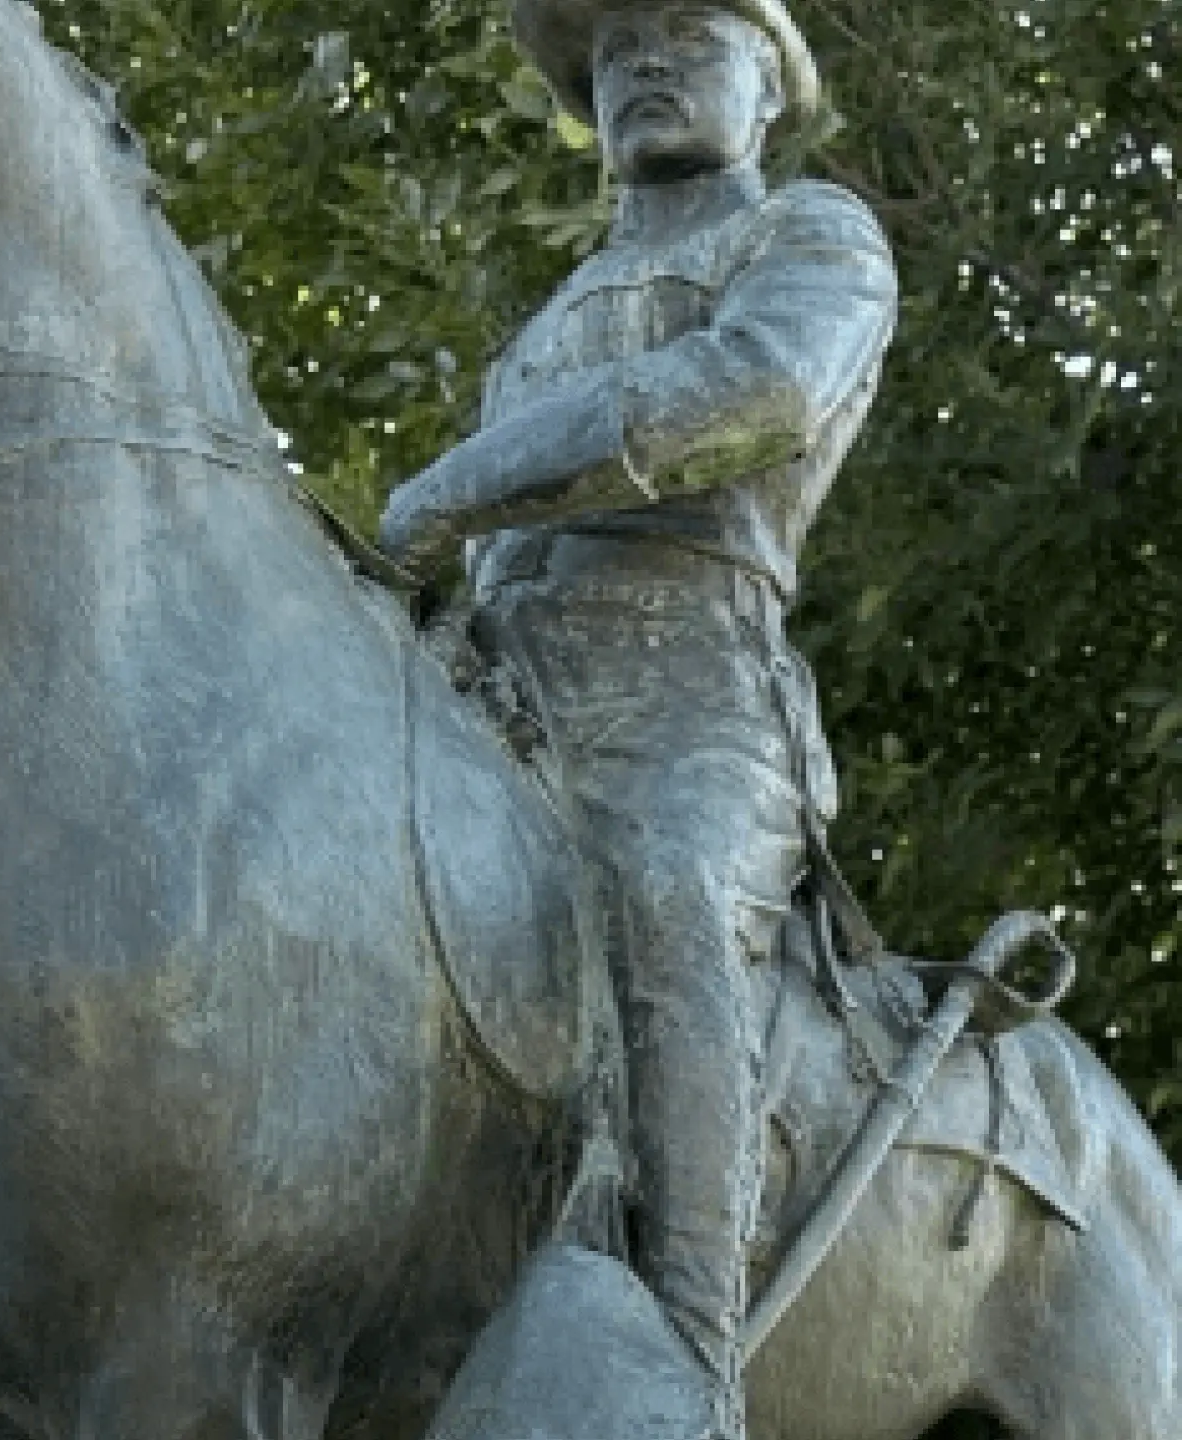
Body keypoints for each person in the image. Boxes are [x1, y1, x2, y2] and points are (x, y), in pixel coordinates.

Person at [377, 4, 897, 1435]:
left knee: (669, 893)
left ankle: (685, 1361)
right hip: (499, 694)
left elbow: (758, 392)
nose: (643, 66)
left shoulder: (809, 232)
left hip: (690, 690)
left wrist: (449, 487)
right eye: (611, 55)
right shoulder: (548, 320)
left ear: (770, 87)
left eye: (685, 32)